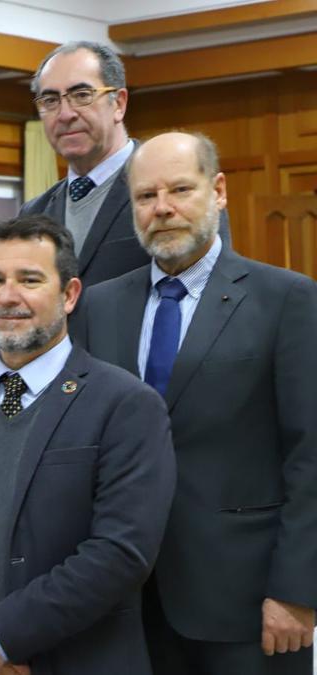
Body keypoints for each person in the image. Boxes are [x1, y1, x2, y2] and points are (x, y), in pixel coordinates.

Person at [71, 131, 317, 675]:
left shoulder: (287, 300)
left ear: (219, 191)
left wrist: (298, 590)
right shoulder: (99, 306)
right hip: (124, 600)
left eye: (180, 189)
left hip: (247, 601)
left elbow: (311, 455)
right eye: (145, 196)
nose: (163, 209)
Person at [0, 215, 176, 675]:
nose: (8, 296)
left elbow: (121, 551)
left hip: (81, 660)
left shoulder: (126, 405)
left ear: (69, 295)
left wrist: (1, 637)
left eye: (29, 280)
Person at [20, 41, 229, 288]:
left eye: (82, 95)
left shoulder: (177, 188)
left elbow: (212, 287)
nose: (65, 114)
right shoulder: (34, 213)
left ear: (118, 103)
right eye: (51, 100)